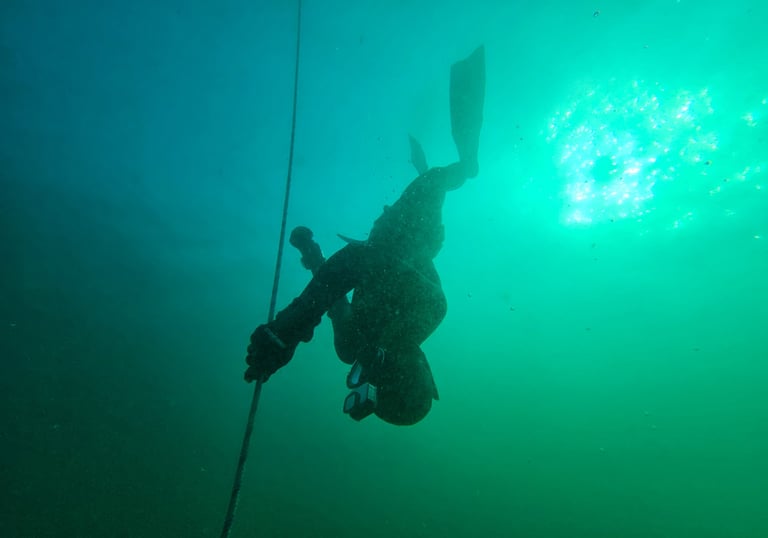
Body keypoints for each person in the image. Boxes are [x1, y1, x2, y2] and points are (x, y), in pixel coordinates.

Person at [245, 46, 485, 426]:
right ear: (419, 368)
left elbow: (335, 294)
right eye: (383, 378)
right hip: (415, 234)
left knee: (420, 189)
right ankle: (468, 166)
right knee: (432, 181)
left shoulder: (351, 346)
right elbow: (360, 264)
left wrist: (311, 253)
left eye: (368, 384)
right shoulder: (429, 309)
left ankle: (432, 169)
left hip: (383, 235)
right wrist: (290, 327)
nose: (369, 374)